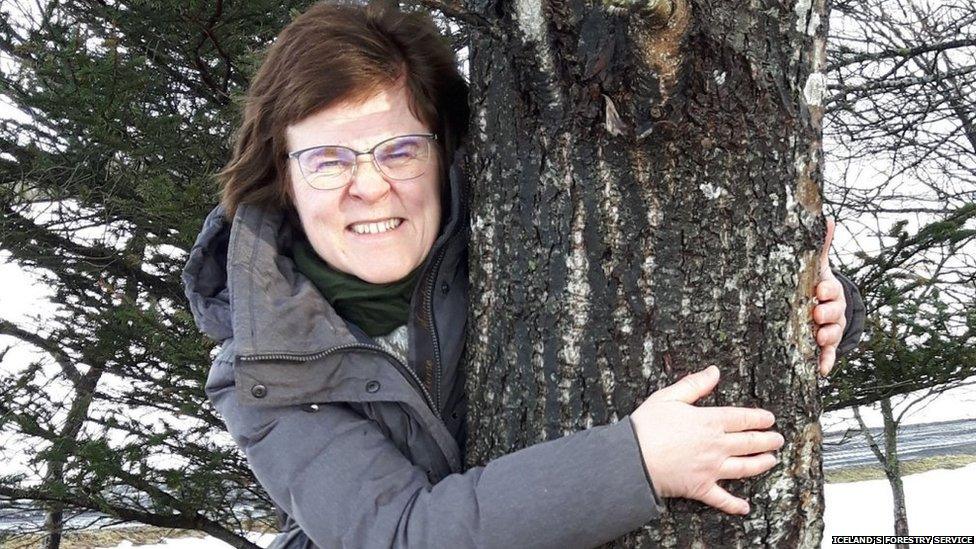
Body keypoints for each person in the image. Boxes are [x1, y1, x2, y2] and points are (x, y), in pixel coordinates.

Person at [181, 2, 866, 547]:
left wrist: (823, 308)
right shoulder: (264, 364)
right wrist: (633, 463)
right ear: (283, 178)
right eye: (328, 158)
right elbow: (398, 533)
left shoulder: (515, 225)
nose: (370, 186)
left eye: (399, 149)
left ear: (443, 153)